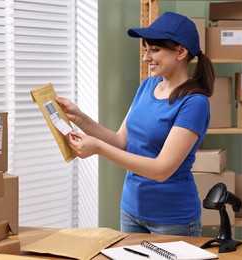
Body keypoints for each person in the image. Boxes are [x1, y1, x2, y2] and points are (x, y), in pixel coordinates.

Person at [56, 12, 215, 236]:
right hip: (131, 210)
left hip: (171, 218)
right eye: (146, 49)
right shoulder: (147, 86)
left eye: (155, 50)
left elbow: (161, 170)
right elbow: (121, 141)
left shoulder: (194, 103)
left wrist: (99, 149)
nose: (146, 58)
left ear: (181, 51)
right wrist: (79, 117)